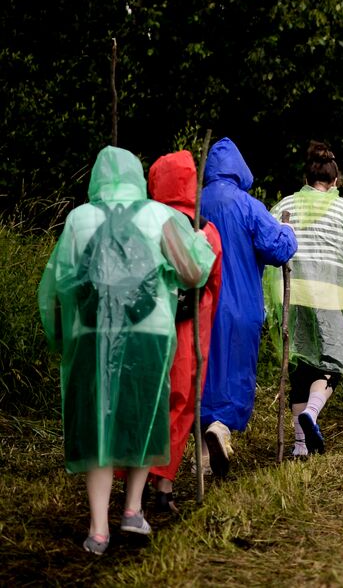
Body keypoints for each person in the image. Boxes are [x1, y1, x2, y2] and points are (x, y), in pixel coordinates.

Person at [38, 146, 214, 554]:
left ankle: (97, 528)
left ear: (97, 177)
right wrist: (200, 242)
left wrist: (60, 338)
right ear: (137, 176)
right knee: (142, 417)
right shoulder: (159, 216)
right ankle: (133, 510)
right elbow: (191, 272)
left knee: (96, 426)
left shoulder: (79, 219)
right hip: (148, 333)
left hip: (89, 334)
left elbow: (57, 284)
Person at [267, 142, 343, 456]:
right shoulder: (342, 209)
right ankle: (312, 411)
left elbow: (272, 241)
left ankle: (298, 446)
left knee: (300, 363)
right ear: (335, 181)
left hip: (293, 296)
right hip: (333, 297)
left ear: (306, 177)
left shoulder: (287, 205)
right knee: (330, 362)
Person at [200, 137, 298, 476]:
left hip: (198, 307)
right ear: (239, 169)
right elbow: (278, 248)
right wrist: (287, 230)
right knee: (236, 371)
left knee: (202, 374)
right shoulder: (247, 204)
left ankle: (203, 459)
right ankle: (222, 427)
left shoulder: (192, 204)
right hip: (241, 305)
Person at [146, 150, 224, 514]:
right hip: (191, 328)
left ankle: (138, 480)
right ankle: (164, 483)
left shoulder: (144, 223)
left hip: (146, 326)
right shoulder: (204, 229)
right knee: (180, 402)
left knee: (147, 400)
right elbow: (214, 282)